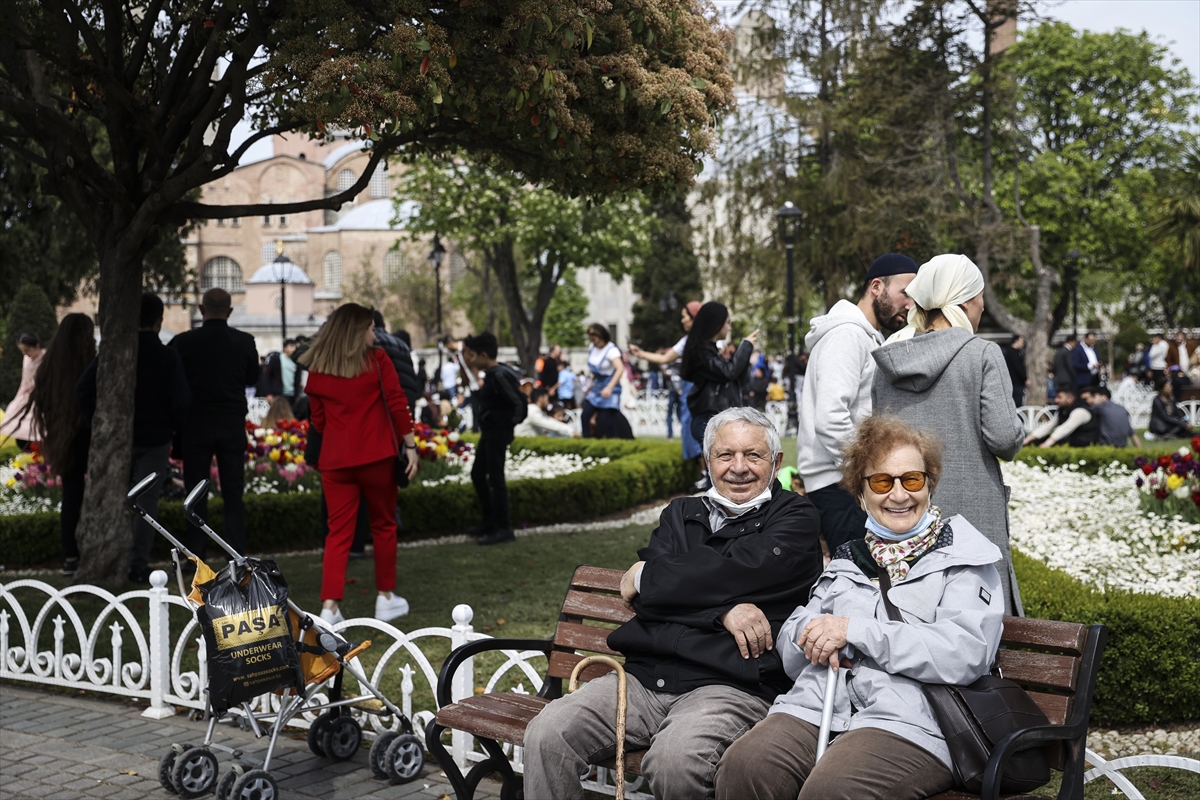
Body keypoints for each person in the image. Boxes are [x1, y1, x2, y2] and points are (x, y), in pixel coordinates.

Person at [522, 407, 823, 799]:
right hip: (644, 679)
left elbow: (739, 573)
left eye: (753, 455)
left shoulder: (797, 517)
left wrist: (649, 575)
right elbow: (647, 603)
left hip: (729, 687)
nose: (739, 467)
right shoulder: (681, 512)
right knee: (547, 732)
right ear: (707, 460)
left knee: (675, 762)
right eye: (725, 455)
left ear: (776, 461)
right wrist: (724, 611)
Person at [715, 415, 1003, 800]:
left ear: (929, 486)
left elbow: (965, 652)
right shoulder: (849, 559)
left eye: (911, 480)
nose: (898, 494)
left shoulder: (963, 559)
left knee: (831, 792)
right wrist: (813, 637)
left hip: (909, 723)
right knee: (743, 769)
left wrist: (855, 632)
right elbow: (791, 646)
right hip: (818, 708)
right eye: (882, 482)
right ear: (860, 496)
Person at [873, 254, 1025, 613]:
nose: (982, 307)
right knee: (981, 633)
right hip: (972, 517)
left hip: (904, 514)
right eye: (980, 298)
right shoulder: (982, 354)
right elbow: (1005, 438)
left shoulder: (888, 362)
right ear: (966, 300)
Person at [301, 303, 418, 624]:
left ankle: (330, 606)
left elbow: (319, 422)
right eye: (368, 328)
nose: (373, 333)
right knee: (383, 526)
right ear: (355, 332)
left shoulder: (318, 369)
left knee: (337, 534)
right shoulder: (378, 361)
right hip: (376, 455)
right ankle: (385, 597)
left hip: (336, 461)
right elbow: (397, 402)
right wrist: (410, 445)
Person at [797, 254, 919, 554]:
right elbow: (830, 417)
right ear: (876, 286)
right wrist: (865, 476)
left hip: (845, 482)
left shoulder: (864, 336)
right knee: (858, 583)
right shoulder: (847, 335)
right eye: (905, 292)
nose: (910, 304)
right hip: (840, 485)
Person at [78, 294, 191, 583]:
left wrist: (99, 425)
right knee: (146, 503)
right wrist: (174, 430)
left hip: (120, 436)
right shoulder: (166, 355)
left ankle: (109, 554)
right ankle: (137, 563)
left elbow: (83, 389)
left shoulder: (116, 352)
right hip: (155, 437)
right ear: (159, 320)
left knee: (113, 497)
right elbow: (180, 402)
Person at [170, 288, 261, 558]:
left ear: (201, 309)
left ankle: (196, 553)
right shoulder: (244, 342)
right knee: (233, 492)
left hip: (195, 425)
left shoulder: (183, 342)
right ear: (230, 312)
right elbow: (252, 378)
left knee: (195, 495)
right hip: (230, 423)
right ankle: (234, 551)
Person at [29, 315, 96, 577]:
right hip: (85, 435)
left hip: (63, 436)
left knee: (71, 495)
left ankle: (70, 555)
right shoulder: (90, 364)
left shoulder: (51, 367)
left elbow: (43, 403)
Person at [461, 331, 525, 545]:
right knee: (478, 474)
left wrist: (506, 426)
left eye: (474, 355)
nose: (472, 359)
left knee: (495, 479)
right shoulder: (492, 374)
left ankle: (503, 527)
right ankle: (490, 520)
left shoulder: (498, 375)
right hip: (490, 432)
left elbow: (518, 403)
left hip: (497, 433)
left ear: (484, 355)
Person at [630, 301, 705, 476]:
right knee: (690, 426)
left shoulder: (708, 340)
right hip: (691, 388)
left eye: (684, 317)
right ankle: (702, 472)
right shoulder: (687, 341)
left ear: (694, 318)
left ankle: (706, 474)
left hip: (701, 389)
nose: (682, 320)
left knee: (702, 427)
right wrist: (640, 353)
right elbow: (664, 359)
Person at [680, 302, 758, 449]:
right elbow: (728, 372)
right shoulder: (701, 351)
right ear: (716, 325)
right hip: (709, 420)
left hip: (717, 419)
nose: (729, 328)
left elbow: (736, 377)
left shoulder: (709, 350)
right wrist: (746, 346)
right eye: (727, 323)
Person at [581, 323, 626, 439]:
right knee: (585, 415)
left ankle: (613, 442)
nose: (593, 342)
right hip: (596, 388)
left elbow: (620, 369)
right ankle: (587, 441)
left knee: (607, 420)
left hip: (610, 387)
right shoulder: (592, 348)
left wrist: (610, 387)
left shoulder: (611, 350)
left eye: (595, 339)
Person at [0, 332, 45, 448]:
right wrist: (18, 400)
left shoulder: (47, 358)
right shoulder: (26, 359)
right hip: (27, 396)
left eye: (27, 350)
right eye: (22, 351)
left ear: (37, 345)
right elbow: (25, 382)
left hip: (44, 398)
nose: (25, 353)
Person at [372, 311, 422, 410]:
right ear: (384, 325)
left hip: (386, 402)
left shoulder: (372, 343)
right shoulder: (402, 344)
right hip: (407, 398)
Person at [1023, 386, 1100, 448]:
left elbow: (1066, 428)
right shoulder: (1062, 410)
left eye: (1059, 397)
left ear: (1070, 399)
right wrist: (1028, 440)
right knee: (1035, 442)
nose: (1056, 400)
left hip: (1083, 443)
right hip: (1070, 440)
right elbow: (1049, 426)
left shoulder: (1080, 411)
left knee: (1052, 443)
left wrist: (1047, 444)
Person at [1002, 334, 1029, 407]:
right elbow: (1018, 368)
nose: (1023, 344)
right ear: (1016, 341)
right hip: (1016, 383)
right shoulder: (1013, 353)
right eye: (1022, 341)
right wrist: (1025, 378)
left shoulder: (1008, 352)